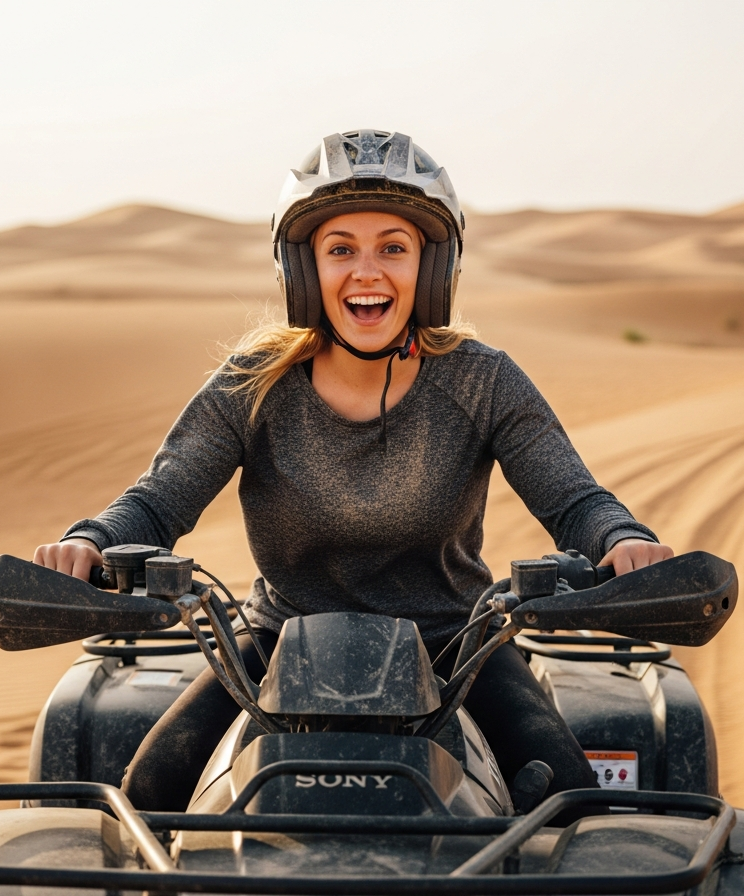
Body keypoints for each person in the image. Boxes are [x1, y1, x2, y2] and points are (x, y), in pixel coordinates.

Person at [34, 129, 673, 811]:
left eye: (393, 248)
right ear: (302, 271)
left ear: (433, 268)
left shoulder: (482, 380)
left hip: (453, 646)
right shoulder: (254, 383)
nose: (366, 272)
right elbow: (158, 501)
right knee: (147, 794)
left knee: (574, 807)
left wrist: (619, 539)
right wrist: (91, 541)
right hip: (279, 642)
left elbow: (574, 499)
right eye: (341, 250)